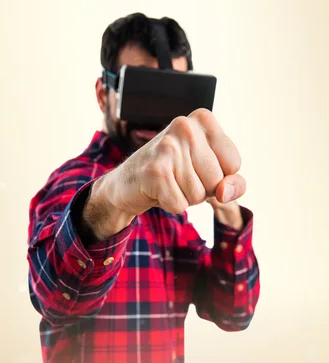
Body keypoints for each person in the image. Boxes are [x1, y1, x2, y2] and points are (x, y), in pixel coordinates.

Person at [25, 12, 261, 363]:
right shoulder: (72, 182)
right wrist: (114, 197)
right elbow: (54, 296)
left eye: (173, 95)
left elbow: (233, 312)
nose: (156, 116)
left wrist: (225, 208)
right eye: (143, 90)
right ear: (104, 95)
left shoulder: (170, 209)